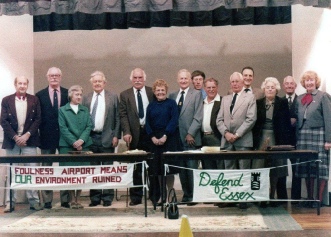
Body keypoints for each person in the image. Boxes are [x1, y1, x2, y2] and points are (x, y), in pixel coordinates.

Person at [1, 76, 43, 212]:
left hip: (29, 141)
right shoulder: (6, 100)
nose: (22, 86)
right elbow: (3, 121)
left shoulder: (34, 99)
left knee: (31, 172)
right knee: (11, 172)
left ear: (27, 85)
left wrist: (26, 135)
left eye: (25, 84)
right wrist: (15, 137)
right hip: (12, 142)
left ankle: (34, 201)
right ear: (15, 85)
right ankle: (9, 202)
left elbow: (38, 119)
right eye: (20, 83)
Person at [216, 72, 257, 209]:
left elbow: (251, 119)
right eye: (232, 81)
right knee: (229, 170)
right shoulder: (225, 99)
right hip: (227, 141)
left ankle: (243, 198)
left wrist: (237, 134)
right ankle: (230, 197)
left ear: (242, 82)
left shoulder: (250, 98)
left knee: (243, 170)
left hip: (243, 140)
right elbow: (219, 120)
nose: (234, 84)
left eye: (237, 81)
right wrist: (226, 134)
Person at [82, 71, 121, 207]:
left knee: (107, 169)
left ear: (104, 83)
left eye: (100, 81)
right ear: (91, 83)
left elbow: (117, 117)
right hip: (91, 138)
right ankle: (95, 197)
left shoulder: (113, 97)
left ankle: (108, 197)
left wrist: (116, 135)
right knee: (94, 169)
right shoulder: (86, 98)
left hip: (108, 138)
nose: (97, 83)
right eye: (95, 82)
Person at [252, 77, 292, 207]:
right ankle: (260, 197)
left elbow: (286, 124)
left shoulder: (283, 102)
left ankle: (272, 196)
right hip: (261, 138)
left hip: (276, 138)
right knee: (259, 167)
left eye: (272, 87)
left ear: (276, 90)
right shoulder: (258, 102)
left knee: (276, 168)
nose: (270, 89)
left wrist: (285, 143)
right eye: (268, 87)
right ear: (264, 89)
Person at [295, 71, 331, 207]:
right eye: (307, 80)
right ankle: (310, 197)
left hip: (319, 134)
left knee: (320, 166)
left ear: (316, 82)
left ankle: (319, 199)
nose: (309, 83)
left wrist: (329, 139)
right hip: (303, 135)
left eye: (311, 80)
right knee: (306, 166)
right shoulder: (300, 98)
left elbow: (328, 118)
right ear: (304, 83)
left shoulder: (323, 96)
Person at [119, 68, 154, 206]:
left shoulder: (152, 92)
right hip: (134, 135)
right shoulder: (124, 94)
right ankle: (136, 197)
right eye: (135, 78)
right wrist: (126, 132)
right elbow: (123, 115)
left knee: (152, 166)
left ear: (144, 79)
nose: (138, 80)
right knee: (136, 168)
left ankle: (154, 195)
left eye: (140, 78)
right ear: (131, 79)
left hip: (150, 134)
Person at [35, 67, 68, 209]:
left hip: (65, 137)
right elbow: (37, 118)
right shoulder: (39, 95)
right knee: (46, 170)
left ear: (60, 77)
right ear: (47, 77)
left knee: (65, 168)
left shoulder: (68, 93)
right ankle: (47, 200)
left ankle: (65, 199)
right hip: (46, 137)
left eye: (57, 75)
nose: (54, 77)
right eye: (51, 75)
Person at [169, 69, 203, 205]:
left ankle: (194, 195)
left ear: (190, 80)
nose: (183, 81)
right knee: (182, 169)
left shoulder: (196, 94)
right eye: (181, 78)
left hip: (191, 138)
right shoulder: (172, 95)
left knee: (191, 168)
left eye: (186, 78)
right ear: (178, 80)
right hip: (176, 139)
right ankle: (186, 194)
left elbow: (198, 116)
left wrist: (191, 133)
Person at [58, 85, 93, 209]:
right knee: (70, 174)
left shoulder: (85, 109)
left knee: (81, 174)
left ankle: (78, 199)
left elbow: (89, 126)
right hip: (67, 147)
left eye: (80, 95)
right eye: (76, 94)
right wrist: (74, 142)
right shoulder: (63, 110)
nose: (79, 97)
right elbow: (63, 128)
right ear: (70, 96)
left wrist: (81, 140)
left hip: (84, 146)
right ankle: (72, 199)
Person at [145, 79, 179, 205]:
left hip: (169, 138)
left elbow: (174, 120)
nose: (160, 92)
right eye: (158, 90)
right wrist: (153, 137)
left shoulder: (172, 103)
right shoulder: (151, 105)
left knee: (168, 169)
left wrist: (165, 136)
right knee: (158, 169)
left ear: (166, 91)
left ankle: (170, 194)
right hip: (154, 141)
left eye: (162, 90)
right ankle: (162, 195)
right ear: (154, 92)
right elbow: (147, 123)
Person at [282, 76, 301, 202]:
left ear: (295, 86)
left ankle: (296, 198)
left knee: (297, 169)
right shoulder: (280, 101)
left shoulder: (301, 100)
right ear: (284, 86)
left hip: (297, 139)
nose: (289, 86)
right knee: (282, 170)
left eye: (291, 84)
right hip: (282, 140)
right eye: (287, 84)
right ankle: (282, 198)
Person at [201, 78, 223, 169]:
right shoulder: (201, 102)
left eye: (213, 87)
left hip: (217, 137)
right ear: (204, 88)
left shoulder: (223, 101)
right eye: (208, 87)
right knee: (207, 166)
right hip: (203, 138)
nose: (211, 89)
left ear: (217, 87)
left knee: (219, 165)